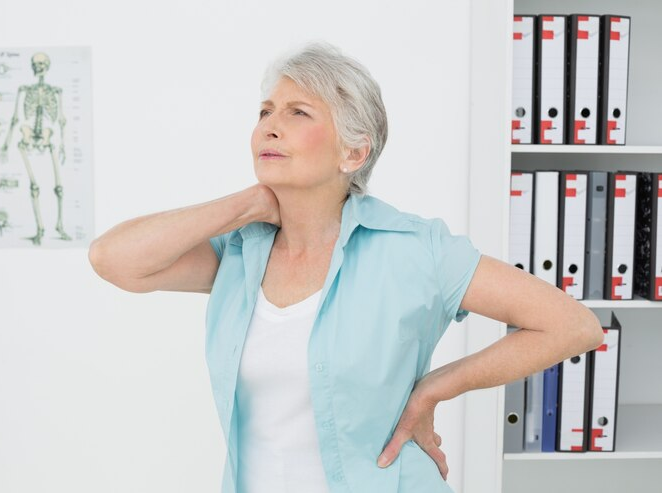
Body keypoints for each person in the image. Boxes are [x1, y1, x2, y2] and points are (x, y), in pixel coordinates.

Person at [88, 41, 604, 493]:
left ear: (354, 152)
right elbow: (113, 260)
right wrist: (245, 204)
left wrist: (434, 389)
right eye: (265, 111)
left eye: (298, 113)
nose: (270, 127)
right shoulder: (237, 253)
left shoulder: (413, 250)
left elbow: (573, 326)